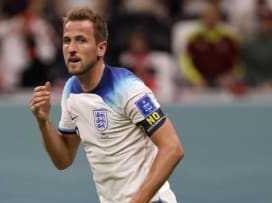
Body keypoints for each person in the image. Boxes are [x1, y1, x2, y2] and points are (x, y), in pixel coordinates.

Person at [30, 7, 184, 203]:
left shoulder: (128, 88)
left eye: (81, 40)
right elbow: (63, 160)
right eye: (67, 40)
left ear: (101, 48)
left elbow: (172, 149)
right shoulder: (71, 90)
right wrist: (43, 122)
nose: (72, 48)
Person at [180, 1, 243, 89]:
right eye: (208, 15)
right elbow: (186, 62)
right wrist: (195, 78)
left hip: (224, 82)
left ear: (219, 17)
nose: (211, 18)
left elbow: (237, 63)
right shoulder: (194, 38)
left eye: (214, 15)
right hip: (200, 82)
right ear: (202, 17)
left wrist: (230, 77)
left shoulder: (229, 37)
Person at [243, 6, 272, 91]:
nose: (265, 24)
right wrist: (260, 82)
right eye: (262, 21)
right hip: (255, 87)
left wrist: (270, 82)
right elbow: (249, 69)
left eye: (268, 21)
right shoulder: (250, 45)